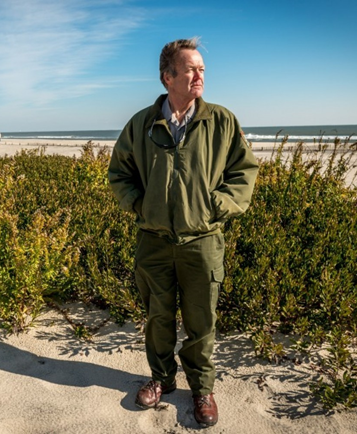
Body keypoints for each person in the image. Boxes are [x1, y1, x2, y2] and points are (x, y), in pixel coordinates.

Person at [108, 38, 258, 427]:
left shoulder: (221, 121)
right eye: (191, 69)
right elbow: (119, 174)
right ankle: (161, 380)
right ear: (167, 76)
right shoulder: (141, 123)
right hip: (153, 242)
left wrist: (215, 208)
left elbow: (244, 174)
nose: (199, 76)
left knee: (200, 320)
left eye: (202, 69)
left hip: (202, 242)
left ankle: (202, 389)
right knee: (158, 317)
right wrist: (141, 206)